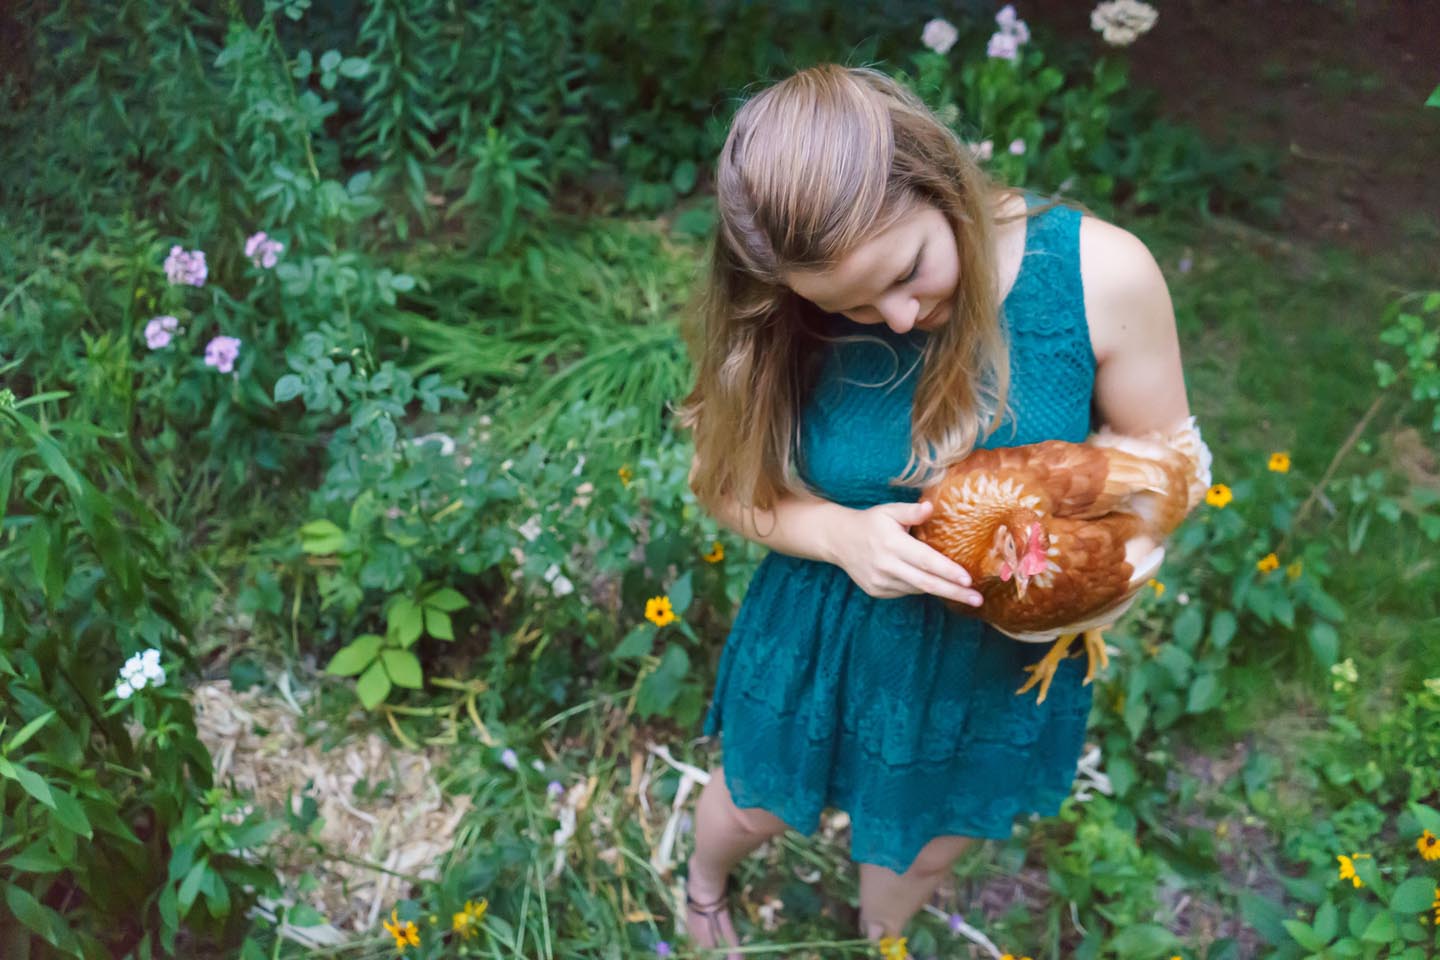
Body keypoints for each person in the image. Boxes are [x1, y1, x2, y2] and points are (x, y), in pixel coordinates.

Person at [674, 63, 1192, 956]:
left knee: (926, 840)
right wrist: (835, 533)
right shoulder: (785, 319)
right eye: (851, 307)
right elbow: (722, 483)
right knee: (753, 798)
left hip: (990, 652)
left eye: (909, 271)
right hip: (826, 624)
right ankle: (703, 885)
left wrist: (1088, 574)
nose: (900, 318)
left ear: (939, 176)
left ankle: (883, 934)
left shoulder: (1101, 275)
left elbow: (1164, 462)